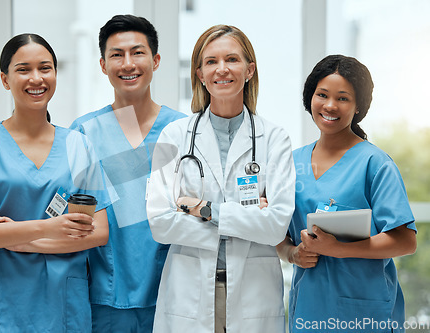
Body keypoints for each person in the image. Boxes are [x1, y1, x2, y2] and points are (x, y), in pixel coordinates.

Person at [0, 33, 111, 333]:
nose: (36, 78)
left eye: (45, 68)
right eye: (23, 69)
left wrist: (16, 240)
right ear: (5, 79)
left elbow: (99, 233)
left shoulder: (78, 146)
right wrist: (48, 228)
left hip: (62, 306)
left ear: (55, 74)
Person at [146, 25, 295, 332]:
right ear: (200, 73)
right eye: (211, 61)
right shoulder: (174, 136)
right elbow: (160, 223)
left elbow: (277, 224)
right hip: (189, 291)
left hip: (253, 294)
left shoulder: (275, 139)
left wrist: (206, 210)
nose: (222, 69)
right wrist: (249, 219)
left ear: (249, 70)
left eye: (232, 59)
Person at [277, 54, 417, 333]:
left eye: (342, 98)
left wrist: (338, 249)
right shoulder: (290, 163)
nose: (330, 105)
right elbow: (278, 232)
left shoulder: (375, 164)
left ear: (358, 107)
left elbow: (405, 241)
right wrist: (292, 254)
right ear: (310, 98)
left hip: (366, 313)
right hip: (309, 311)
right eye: (322, 95)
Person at [70, 14, 186, 333]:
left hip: (173, 292)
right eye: (116, 55)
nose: (127, 63)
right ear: (103, 65)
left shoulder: (181, 130)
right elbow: (78, 216)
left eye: (137, 52)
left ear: (156, 60)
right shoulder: (84, 133)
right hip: (106, 297)